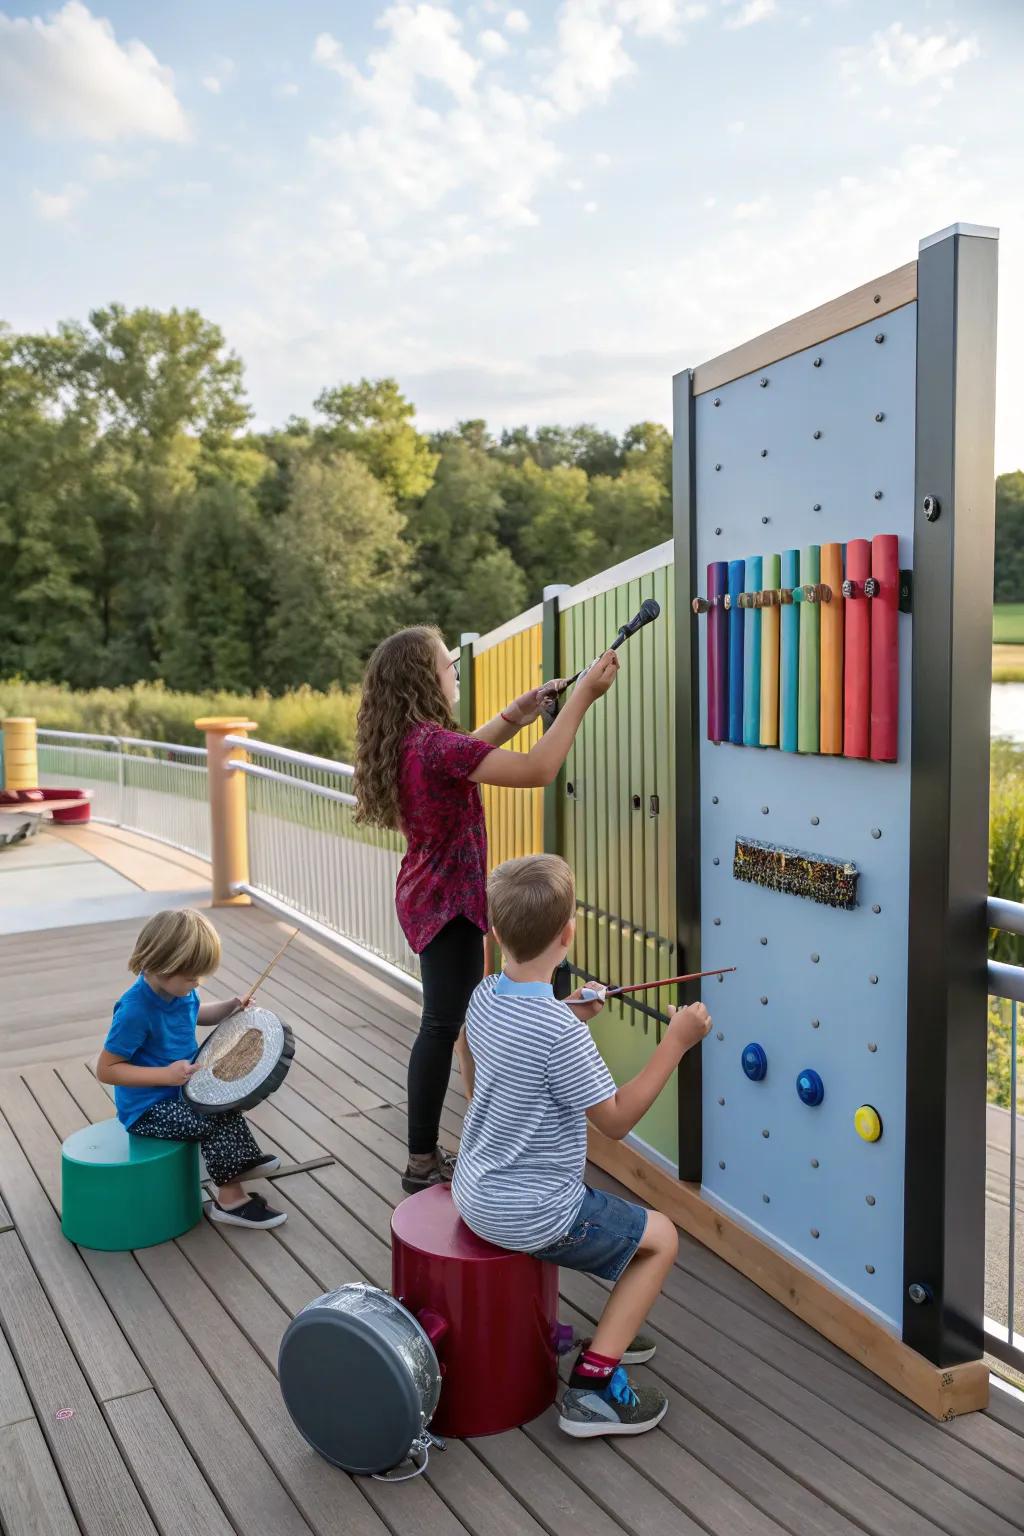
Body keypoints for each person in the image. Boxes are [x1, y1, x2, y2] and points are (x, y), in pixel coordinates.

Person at [451, 853, 712, 1438]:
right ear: (570, 934)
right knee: (662, 1237)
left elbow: (470, 1051)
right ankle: (593, 1388)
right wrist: (675, 1042)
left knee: (631, 1229)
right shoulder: (559, 1034)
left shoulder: (486, 996)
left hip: (477, 1189)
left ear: (497, 933)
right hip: (533, 1210)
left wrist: (569, 1014)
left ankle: (609, 1338)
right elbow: (616, 1121)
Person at [353, 625, 619, 1195]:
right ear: (425, 679)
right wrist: (582, 698)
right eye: (447, 665)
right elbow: (538, 771)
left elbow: (463, 757)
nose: (455, 671)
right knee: (443, 1025)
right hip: (448, 906)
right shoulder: (435, 745)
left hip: (429, 897)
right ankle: (421, 1160)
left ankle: (476, 1131)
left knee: (460, 1022)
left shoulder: (412, 741)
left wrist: (516, 714)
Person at [96, 908, 286, 1229]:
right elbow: (107, 1069)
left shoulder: (180, 991)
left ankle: (239, 1164)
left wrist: (230, 1007)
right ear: (163, 965)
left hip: (183, 1092)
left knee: (225, 1104)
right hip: (148, 1110)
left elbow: (196, 1012)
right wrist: (165, 1075)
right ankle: (229, 1200)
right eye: (191, 977)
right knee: (209, 1117)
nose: (196, 983)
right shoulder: (135, 1011)